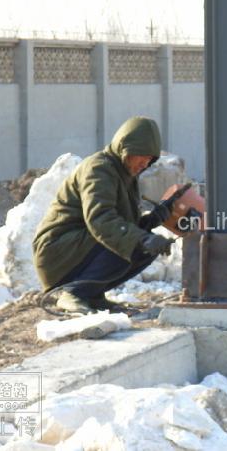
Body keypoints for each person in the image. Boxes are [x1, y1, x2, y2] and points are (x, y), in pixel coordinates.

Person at [32, 116, 173, 313]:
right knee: (129, 243)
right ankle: (74, 293)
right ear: (125, 149)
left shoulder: (124, 174)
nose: (145, 163)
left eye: (150, 159)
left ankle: (93, 295)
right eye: (141, 156)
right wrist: (142, 238)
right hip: (57, 253)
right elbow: (100, 220)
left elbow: (124, 223)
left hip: (77, 248)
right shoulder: (98, 169)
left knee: (142, 247)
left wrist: (153, 220)